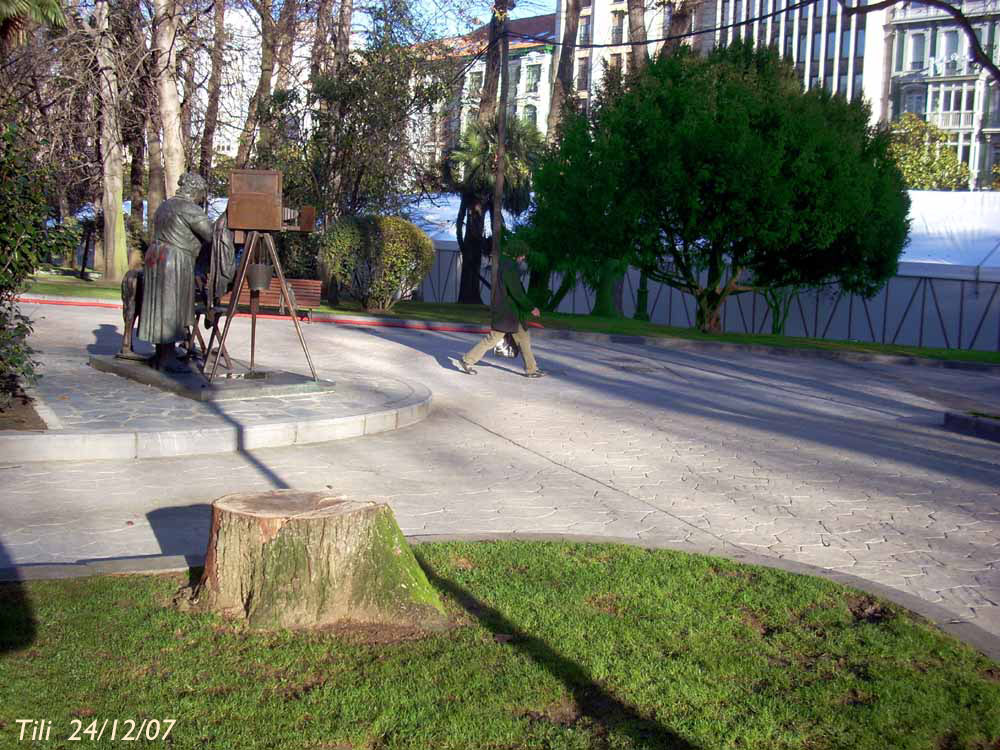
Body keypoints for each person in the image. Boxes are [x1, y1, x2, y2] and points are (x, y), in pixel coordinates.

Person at [138, 173, 214, 372]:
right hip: (174, 260)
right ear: (195, 190)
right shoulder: (189, 209)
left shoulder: (165, 206)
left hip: (155, 256)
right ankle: (167, 357)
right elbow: (210, 234)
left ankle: (162, 352)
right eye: (201, 194)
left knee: (159, 306)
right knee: (172, 306)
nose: (201, 199)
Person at [458, 251, 545, 378]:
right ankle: (467, 360)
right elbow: (517, 293)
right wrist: (531, 308)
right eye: (522, 255)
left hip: (512, 313)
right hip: (507, 313)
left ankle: (531, 369)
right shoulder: (509, 268)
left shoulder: (505, 266)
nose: (524, 258)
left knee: (523, 338)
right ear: (516, 254)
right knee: (493, 338)